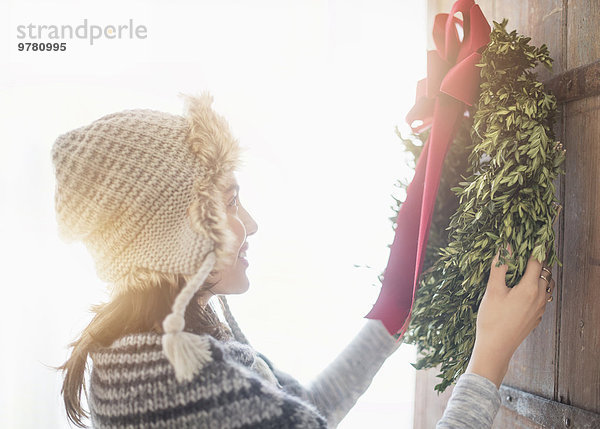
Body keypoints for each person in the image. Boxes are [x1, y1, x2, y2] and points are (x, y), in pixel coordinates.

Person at [52, 92, 556, 429]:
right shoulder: (173, 379)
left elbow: (304, 413)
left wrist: (391, 310)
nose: (250, 223)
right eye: (228, 202)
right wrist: (490, 358)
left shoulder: (158, 346)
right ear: (174, 230)